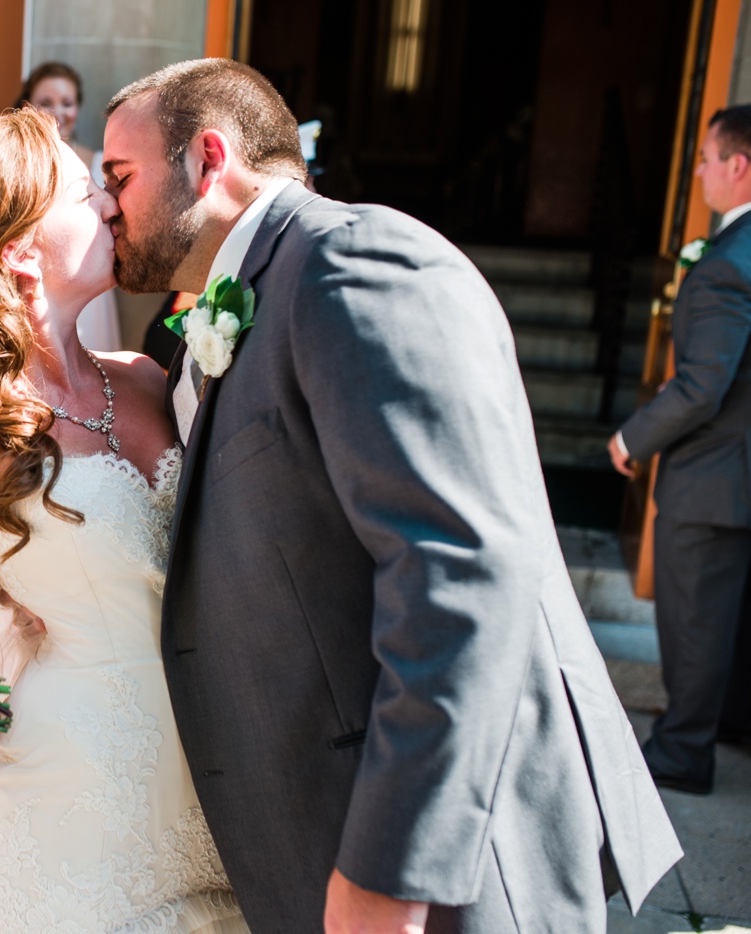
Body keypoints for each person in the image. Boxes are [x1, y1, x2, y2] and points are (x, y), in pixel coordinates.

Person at [101, 59, 682, 931]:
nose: (108, 205)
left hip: (449, 868)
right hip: (320, 833)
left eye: (119, 176)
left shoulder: (353, 263)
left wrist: (390, 871)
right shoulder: (235, 304)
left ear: (207, 158)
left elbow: (459, 574)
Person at [0, 108, 245, 932]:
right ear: (18, 248)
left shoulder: (147, 376)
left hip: (221, 776)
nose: (108, 203)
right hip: (74, 805)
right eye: (81, 191)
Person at [609, 105, 751, 795]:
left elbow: (701, 387)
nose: (697, 173)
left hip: (714, 474)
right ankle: (724, 724)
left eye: (703, 159)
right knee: (726, 619)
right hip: (738, 471)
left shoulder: (729, 266)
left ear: (738, 166)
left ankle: (683, 752)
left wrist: (633, 435)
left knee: (694, 619)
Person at [20, 61, 123, 352]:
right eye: (46, 102)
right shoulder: (20, 168)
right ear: (28, 105)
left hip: (91, 278)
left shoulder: (99, 162)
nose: (58, 112)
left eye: (67, 103)